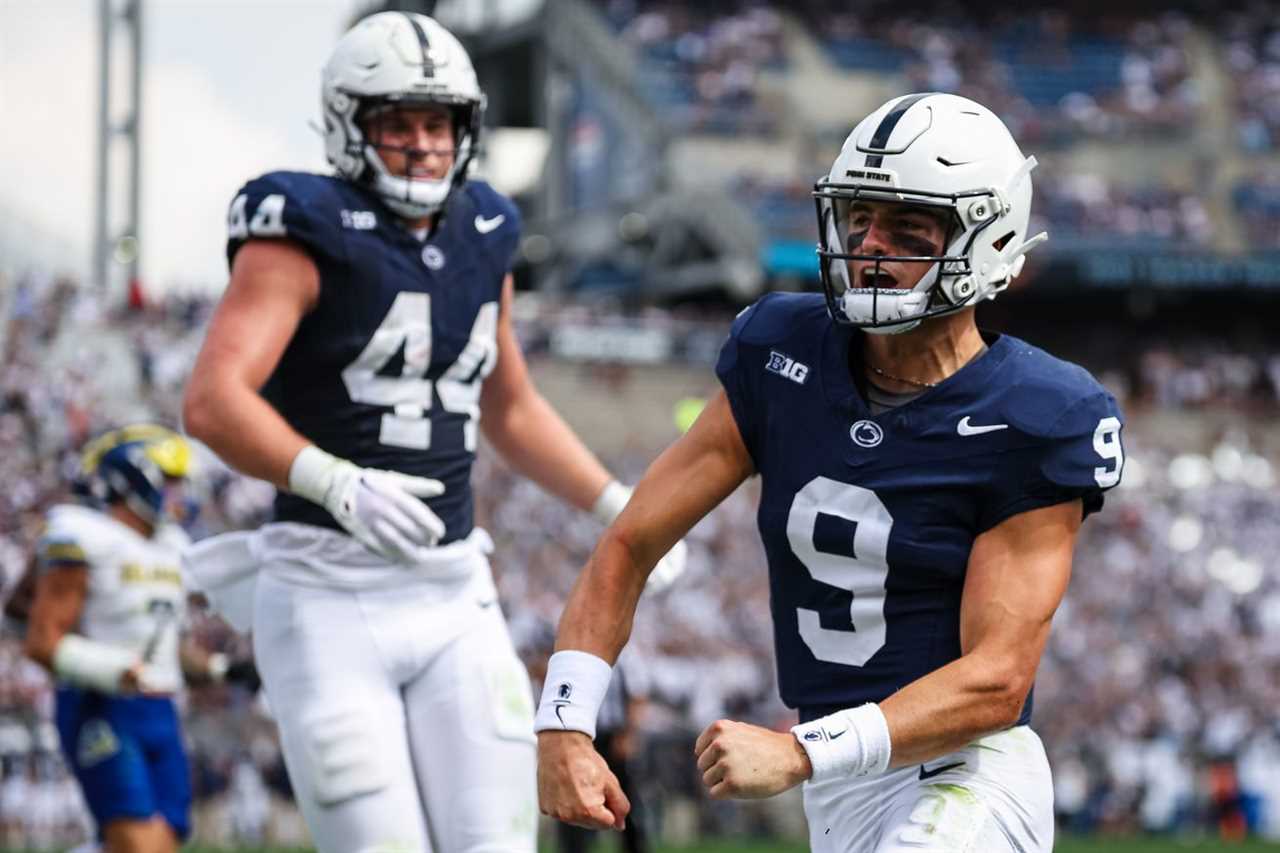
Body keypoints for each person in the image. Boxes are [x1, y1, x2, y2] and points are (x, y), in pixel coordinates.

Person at [535, 92, 1126, 853]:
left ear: (989, 240)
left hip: (966, 770)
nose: (870, 245)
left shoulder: (1039, 412)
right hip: (839, 787)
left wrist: (800, 749)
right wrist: (565, 721)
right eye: (859, 218)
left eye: (907, 229)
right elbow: (627, 546)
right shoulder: (781, 353)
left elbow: (996, 680)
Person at [180, 12, 685, 853]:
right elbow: (213, 399)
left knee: (497, 843)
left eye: (437, 122)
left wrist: (617, 505)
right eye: (397, 122)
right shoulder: (301, 226)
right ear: (350, 126)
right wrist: (332, 479)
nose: (422, 143)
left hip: (453, 589)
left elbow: (509, 403)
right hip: (324, 590)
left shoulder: (485, 228)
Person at [23, 425, 247, 853]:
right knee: (138, 844)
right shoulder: (82, 532)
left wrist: (223, 668)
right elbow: (42, 640)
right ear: (132, 476)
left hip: (160, 706)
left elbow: (161, 647)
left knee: (164, 842)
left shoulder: (170, 545)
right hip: (102, 704)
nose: (181, 492)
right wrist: (113, 669)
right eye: (170, 479)